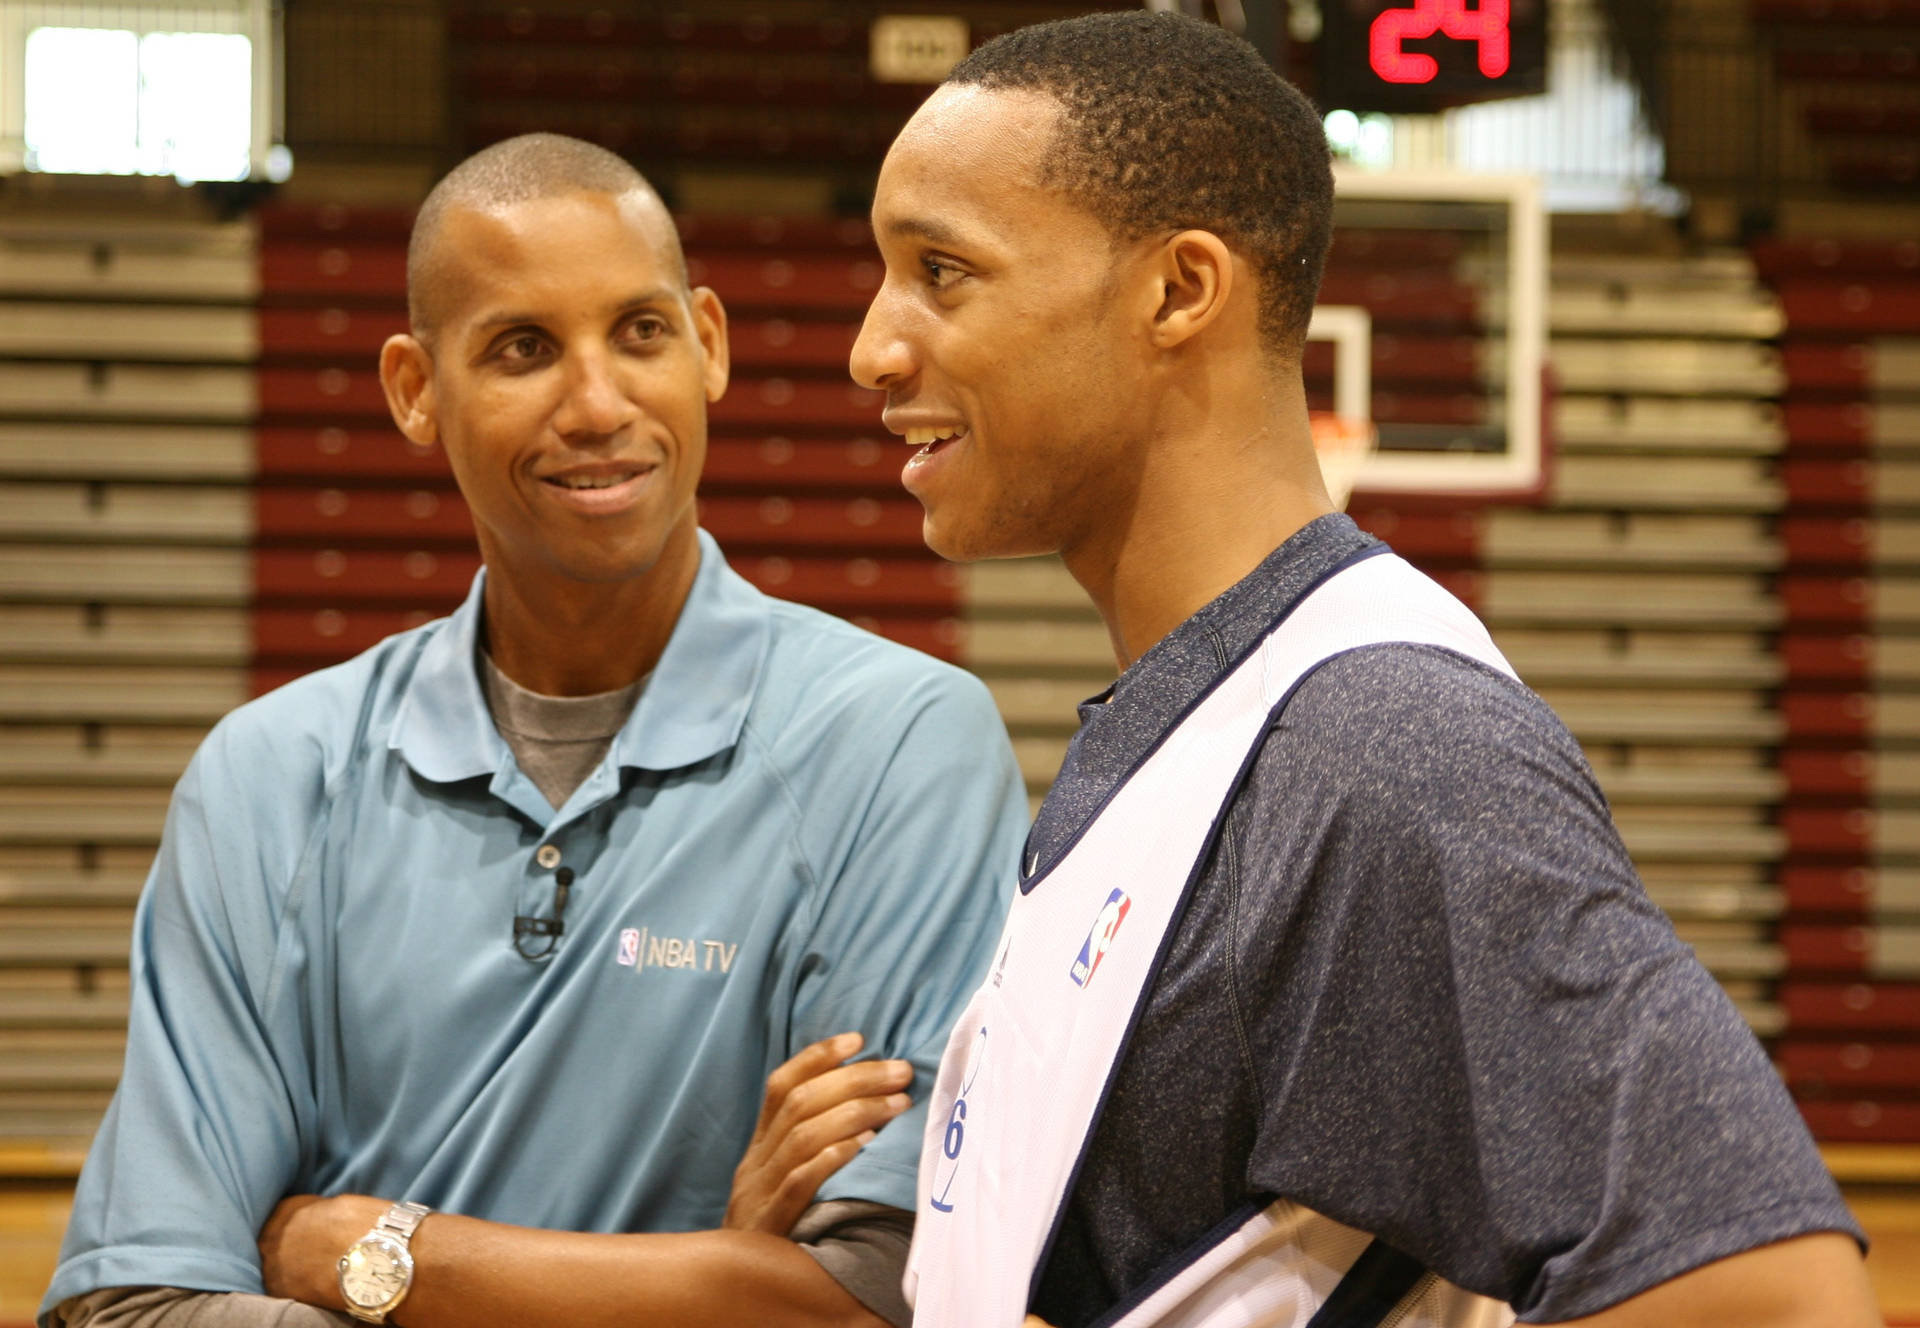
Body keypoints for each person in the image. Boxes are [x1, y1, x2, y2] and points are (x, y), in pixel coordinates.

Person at [848, 13, 1881, 1328]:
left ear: (1178, 292)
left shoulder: (1385, 750)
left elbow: (1772, 1298)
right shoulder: (1199, 725)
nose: (871, 348)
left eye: (941, 272)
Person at [42, 133, 1027, 1328]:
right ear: (415, 389)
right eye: (523, 348)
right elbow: (137, 1303)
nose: (599, 403)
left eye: (641, 332)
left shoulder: (895, 741)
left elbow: (874, 1295)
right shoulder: (269, 777)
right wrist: (712, 1273)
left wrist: (365, 1247)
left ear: (708, 343)